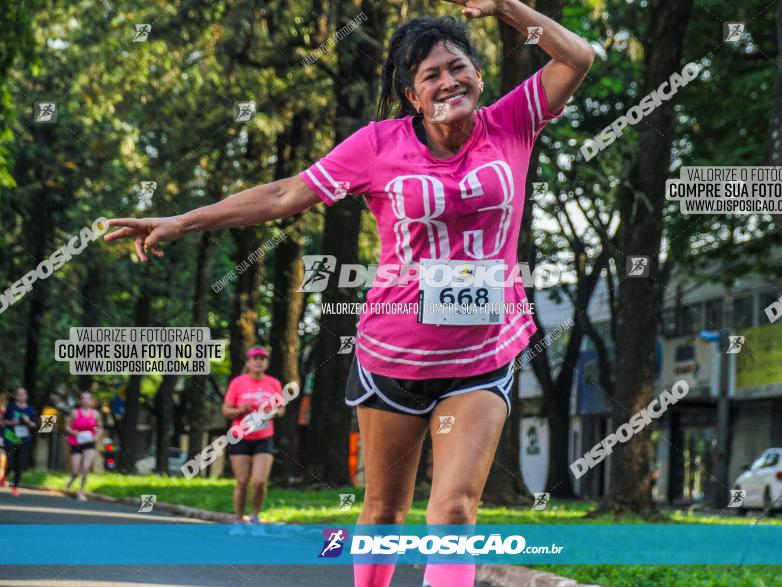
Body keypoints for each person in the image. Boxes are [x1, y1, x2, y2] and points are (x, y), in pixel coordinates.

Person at [104, 1, 593, 584]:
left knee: (456, 511)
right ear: (412, 96)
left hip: (482, 358)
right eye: (430, 75)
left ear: (478, 75)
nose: (448, 81)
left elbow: (579, 56)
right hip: (394, 359)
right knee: (385, 510)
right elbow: (285, 196)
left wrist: (509, 6)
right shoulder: (377, 145)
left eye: (457, 66)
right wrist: (184, 221)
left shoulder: (512, 121)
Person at [222, 346, 284, 534]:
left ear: (266, 363)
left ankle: (255, 517)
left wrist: (272, 413)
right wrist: (240, 410)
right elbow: (226, 409)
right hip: (240, 437)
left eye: (262, 358)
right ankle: (239, 520)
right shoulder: (238, 383)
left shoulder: (273, 383)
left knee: (258, 481)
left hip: (264, 437)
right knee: (242, 481)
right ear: (248, 362)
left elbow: (281, 409)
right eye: (255, 358)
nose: (258, 361)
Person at [64, 392, 103, 501]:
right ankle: (71, 479)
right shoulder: (74, 413)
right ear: (80, 400)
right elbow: (67, 426)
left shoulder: (96, 414)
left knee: (85, 468)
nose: (86, 400)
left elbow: (99, 428)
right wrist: (73, 432)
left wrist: (96, 436)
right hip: (76, 443)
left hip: (89, 443)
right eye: (84, 398)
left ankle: (81, 492)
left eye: (88, 398)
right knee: (76, 470)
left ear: (92, 401)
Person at [2, 388, 38, 496]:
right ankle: (5, 475)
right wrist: (13, 422)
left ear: (26, 396)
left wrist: (27, 421)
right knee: (11, 461)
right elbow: (3, 421)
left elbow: (35, 425)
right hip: (11, 435)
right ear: (16, 396)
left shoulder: (31, 409)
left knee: (20, 462)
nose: (21, 396)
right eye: (19, 394)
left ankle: (15, 487)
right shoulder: (10, 406)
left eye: (23, 394)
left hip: (24, 437)